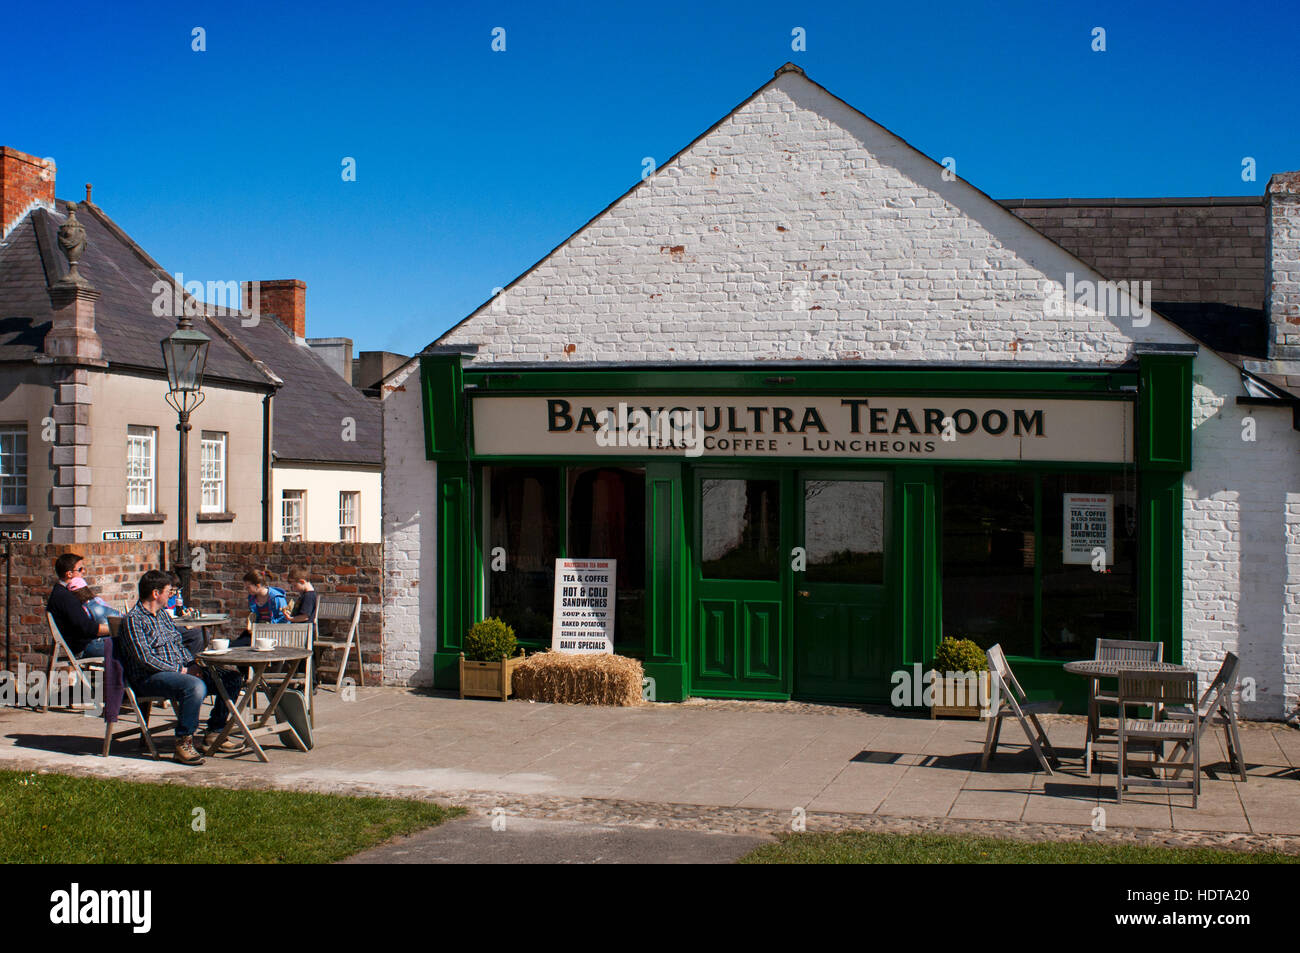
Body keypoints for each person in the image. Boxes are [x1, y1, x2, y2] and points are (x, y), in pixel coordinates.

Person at [118, 570, 244, 765]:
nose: (173, 595)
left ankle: (215, 733)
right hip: (150, 678)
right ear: (155, 593)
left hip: (179, 670)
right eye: (169, 591)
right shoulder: (134, 620)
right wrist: (183, 670)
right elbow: (146, 659)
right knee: (194, 686)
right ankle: (183, 742)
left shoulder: (162, 616)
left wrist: (194, 664)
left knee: (230, 678)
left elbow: (178, 645)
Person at [46, 553, 109, 658]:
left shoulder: (62, 592)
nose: (83, 571)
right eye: (80, 569)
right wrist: (116, 628)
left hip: (84, 644)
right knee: (128, 647)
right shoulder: (65, 597)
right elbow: (89, 628)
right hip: (85, 647)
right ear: (69, 574)